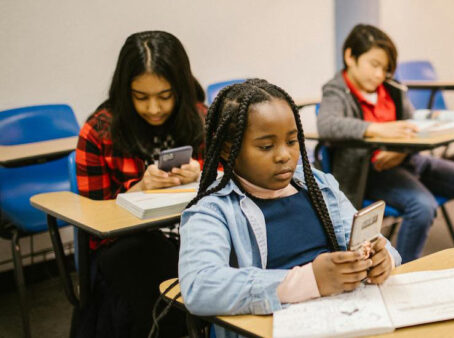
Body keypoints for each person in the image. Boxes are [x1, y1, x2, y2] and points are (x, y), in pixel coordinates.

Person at [178, 79, 401, 337]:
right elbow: (199, 286)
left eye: (292, 142)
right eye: (266, 146)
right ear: (229, 150)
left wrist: (383, 260)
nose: (284, 155)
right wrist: (309, 281)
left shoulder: (320, 186)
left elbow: (380, 244)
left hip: (344, 316)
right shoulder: (212, 210)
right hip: (275, 326)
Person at [317, 24, 454, 263]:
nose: (379, 75)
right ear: (350, 56)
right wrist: (378, 129)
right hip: (372, 172)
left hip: (410, 161)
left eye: (385, 69)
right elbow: (328, 125)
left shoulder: (391, 89)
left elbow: (414, 127)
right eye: (374, 65)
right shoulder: (337, 91)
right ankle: (402, 271)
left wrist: (401, 150)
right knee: (422, 207)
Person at [75, 30, 205, 337]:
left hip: (193, 231)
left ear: (181, 89)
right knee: (144, 259)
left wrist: (200, 170)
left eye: (165, 96)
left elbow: (231, 183)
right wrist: (137, 191)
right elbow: (92, 224)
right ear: (124, 91)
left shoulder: (199, 118)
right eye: (141, 97)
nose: (154, 109)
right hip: (130, 245)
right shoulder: (99, 131)